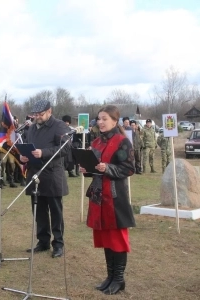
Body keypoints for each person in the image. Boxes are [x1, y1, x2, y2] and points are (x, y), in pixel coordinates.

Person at [79, 105, 135, 295]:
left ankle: (119, 279)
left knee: (116, 238)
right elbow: (95, 168)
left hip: (115, 196)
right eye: (99, 119)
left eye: (104, 119)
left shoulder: (122, 142)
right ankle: (110, 277)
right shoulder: (95, 143)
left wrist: (107, 168)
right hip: (98, 196)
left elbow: (128, 169)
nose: (100, 122)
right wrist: (87, 169)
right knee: (106, 238)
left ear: (114, 121)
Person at [20, 99, 71, 258]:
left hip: (52, 175)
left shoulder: (59, 126)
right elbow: (29, 145)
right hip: (35, 174)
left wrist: (44, 152)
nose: (38, 117)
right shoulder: (32, 128)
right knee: (39, 210)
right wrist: (24, 156)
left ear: (50, 111)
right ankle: (43, 241)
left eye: (41, 114)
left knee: (55, 212)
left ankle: (58, 244)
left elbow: (65, 147)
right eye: (35, 114)